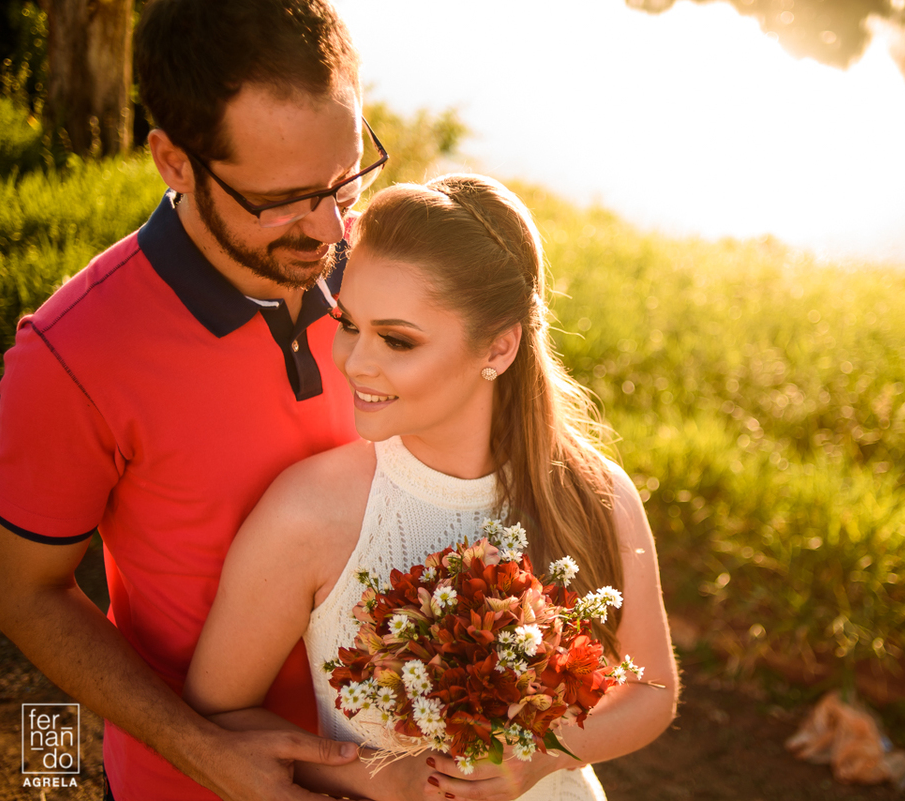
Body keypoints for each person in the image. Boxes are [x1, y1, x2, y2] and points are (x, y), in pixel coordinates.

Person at [183, 174, 680, 800]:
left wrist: (538, 759)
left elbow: (653, 692)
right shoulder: (308, 512)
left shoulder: (595, 492)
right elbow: (217, 715)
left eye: (397, 339)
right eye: (348, 322)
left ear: (497, 347)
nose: (356, 361)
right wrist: (388, 777)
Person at [0, 1, 384, 798]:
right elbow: (22, 590)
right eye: (280, 199)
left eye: (344, 178)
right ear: (173, 162)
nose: (331, 229)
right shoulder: (72, 355)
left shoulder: (388, 264)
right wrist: (200, 748)